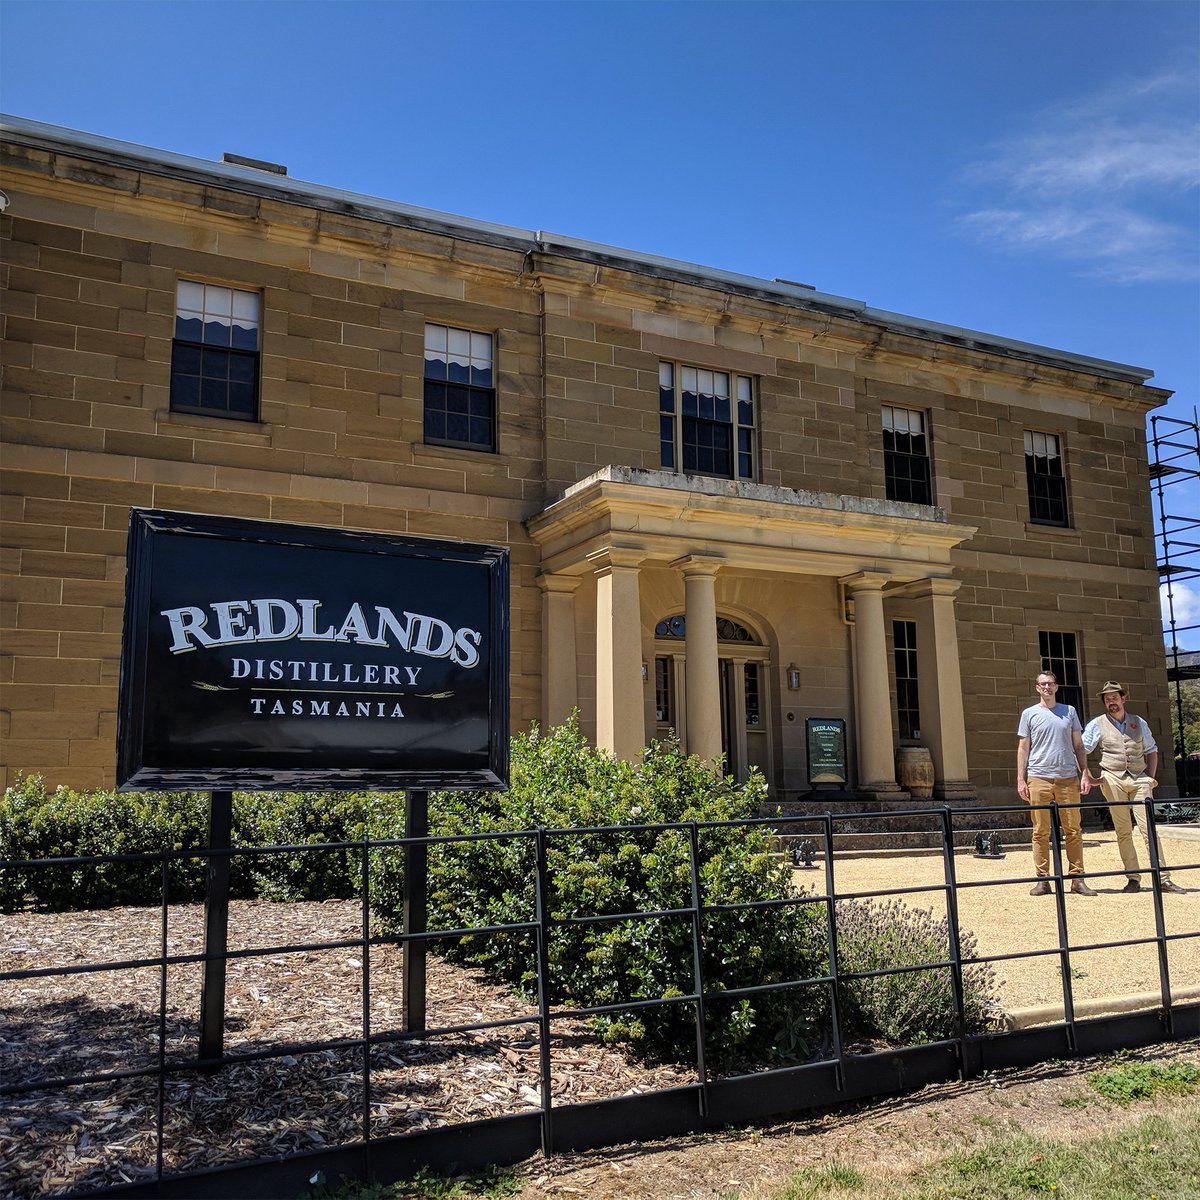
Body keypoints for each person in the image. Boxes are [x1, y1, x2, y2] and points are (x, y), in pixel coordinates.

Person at [1082, 681, 1185, 895]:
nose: (1111, 702)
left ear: (1123, 698)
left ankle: (1163, 878)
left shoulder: (1138, 722)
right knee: (1123, 830)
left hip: (1139, 777)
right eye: (1107, 699)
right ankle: (1133, 877)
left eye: (1115, 697)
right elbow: (1081, 749)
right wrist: (1088, 777)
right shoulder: (1097, 724)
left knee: (1149, 829)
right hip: (1112, 778)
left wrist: (1151, 778)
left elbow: (1152, 749)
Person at [1017, 669, 1095, 896]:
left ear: (1057, 687)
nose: (1047, 687)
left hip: (1067, 777)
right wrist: (1021, 779)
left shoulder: (1069, 711)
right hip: (1038, 777)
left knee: (1073, 830)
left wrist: (1084, 773)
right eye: (1043, 684)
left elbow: (1078, 745)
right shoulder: (1029, 714)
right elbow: (1023, 747)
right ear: (1037, 688)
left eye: (1050, 683)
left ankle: (1077, 878)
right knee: (1040, 831)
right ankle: (1043, 879)